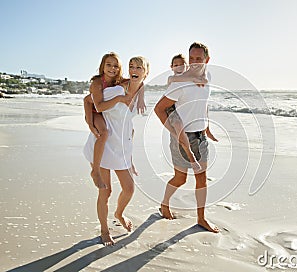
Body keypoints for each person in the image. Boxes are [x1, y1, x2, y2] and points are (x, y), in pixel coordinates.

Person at [83, 56, 149, 245]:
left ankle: (119, 214)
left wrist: (130, 157)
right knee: (106, 191)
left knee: (129, 189)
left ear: (146, 72)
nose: (134, 69)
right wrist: (89, 122)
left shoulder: (139, 93)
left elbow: (130, 127)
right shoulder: (116, 90)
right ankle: (104, 230)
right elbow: (90, 101)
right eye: (131, 67)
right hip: (102, 145)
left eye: (139, 67)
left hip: (120, 148)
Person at [154, 42, 219, 233]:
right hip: (182, 136)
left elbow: (204, 102)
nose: (195, 62)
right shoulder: (180, 82)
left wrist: (207, 126)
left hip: (200, 135)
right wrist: (174, 133)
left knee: (202, 180)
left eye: (199, 59)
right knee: (180, 179)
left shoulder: (209, 77)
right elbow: (159, 109)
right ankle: (164, 204)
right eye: (192, 59)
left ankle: (201, 218)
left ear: (207, 60)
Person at [83, 53, 145, 189]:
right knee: (104, 133)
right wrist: (89, 123)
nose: (112, 68)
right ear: (102, 66)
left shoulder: (119, 81)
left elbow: (140, 82)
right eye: (109, 65)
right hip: (95, 112)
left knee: (130, 131)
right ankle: (95, 170)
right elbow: (95, 105)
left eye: (116, 66)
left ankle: (129, 161)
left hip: (104, 111)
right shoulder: (98, 83)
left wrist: (141, 98)